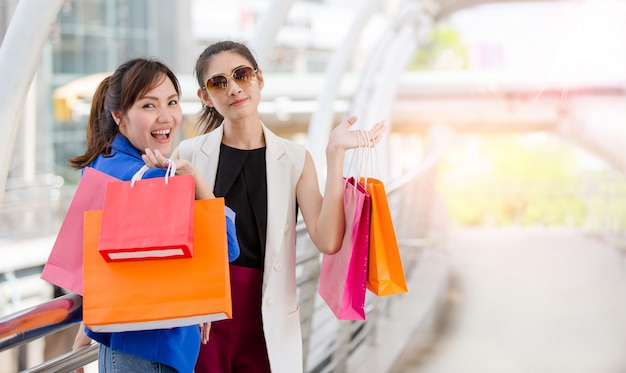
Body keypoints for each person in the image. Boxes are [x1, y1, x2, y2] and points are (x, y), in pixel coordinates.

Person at [145, 40, 385, 373]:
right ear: (205, 96)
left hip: (268, 316)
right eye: (219, 82)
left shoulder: (295, 159)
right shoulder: (188, 154)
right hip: (205, 319)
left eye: (241, 75)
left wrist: (335, 153)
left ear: (259, 79)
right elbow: (168, 245)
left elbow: (328, 240)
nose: (233, 88)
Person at [69, 57, 239, 373]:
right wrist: (196, 182)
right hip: (157, 350)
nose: (167, 117)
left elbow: (103, 262)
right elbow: (227, 248)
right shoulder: (153, 180)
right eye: (149, 106)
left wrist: (84, 330)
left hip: (120, 344)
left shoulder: (102, 165)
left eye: (172, 102)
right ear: (119, 116)